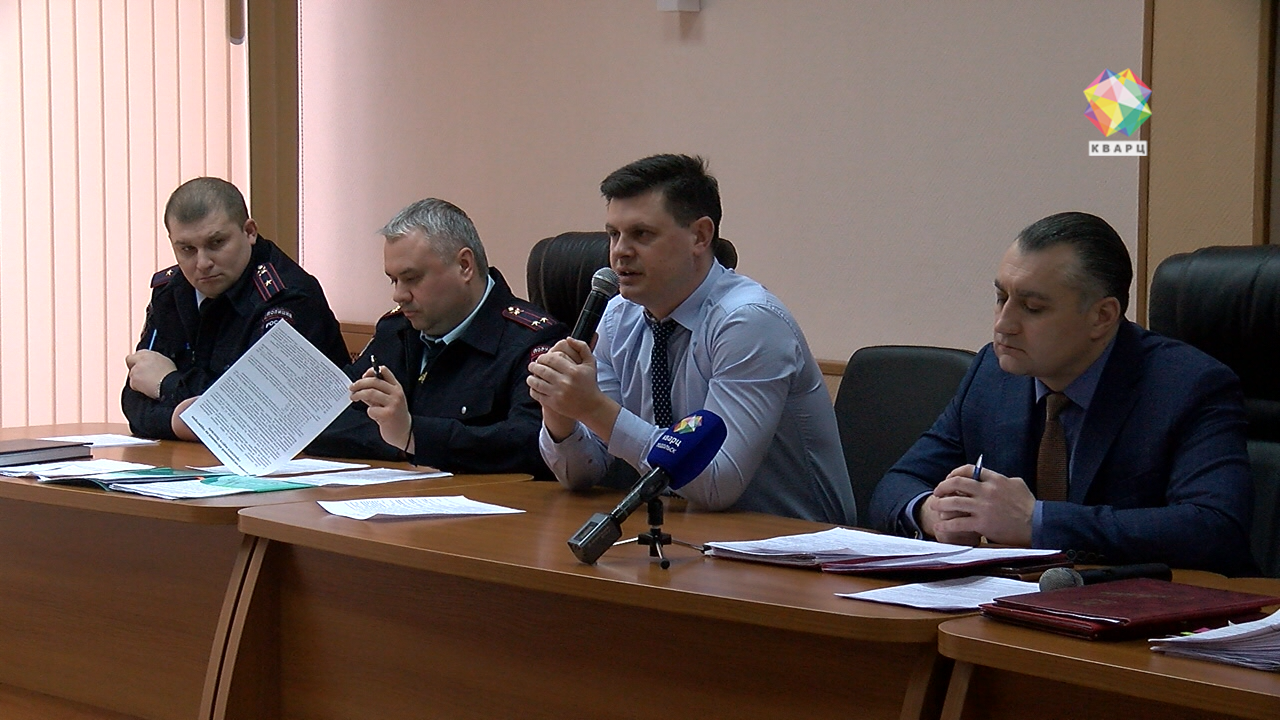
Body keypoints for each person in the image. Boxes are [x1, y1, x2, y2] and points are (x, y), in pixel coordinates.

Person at [868, 212, 1255, 575]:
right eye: (1001, 298)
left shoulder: (1189, 385)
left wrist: (1036, 521)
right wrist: (932, 513)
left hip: (1150, 609)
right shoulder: (992, 373)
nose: (1003, 324)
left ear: (1102, 317)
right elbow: (899, 482)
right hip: (1017, 602)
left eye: (1033, 307)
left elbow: (1214, 528)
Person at [528, 154, 855, 525]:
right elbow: (581, 474)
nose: (620, 251)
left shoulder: (748, 322)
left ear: (699, 236)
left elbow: (717, 484)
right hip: (680, 532)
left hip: (792, 541)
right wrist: (559, 413)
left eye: (642, 234)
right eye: (613, 234)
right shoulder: (619, 316)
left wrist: (592, 408)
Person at [307, 198, 566, 477]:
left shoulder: (531, 342)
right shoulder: (396, 330)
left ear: (464, 266)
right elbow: (320, 416)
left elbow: (533, 444)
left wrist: (413, 434)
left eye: (412, 278)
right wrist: (403, 440)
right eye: (393, 280)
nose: (398, 295)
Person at [122, 177, 347, 440]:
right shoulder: (170, 291)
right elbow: (135, 397)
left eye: (216, 243)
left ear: (249, 232)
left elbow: (255, 415)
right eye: (187, 249)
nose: (202, 263)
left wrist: (167, 385)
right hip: (191, 455)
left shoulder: (286, 297)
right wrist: (178, 422)